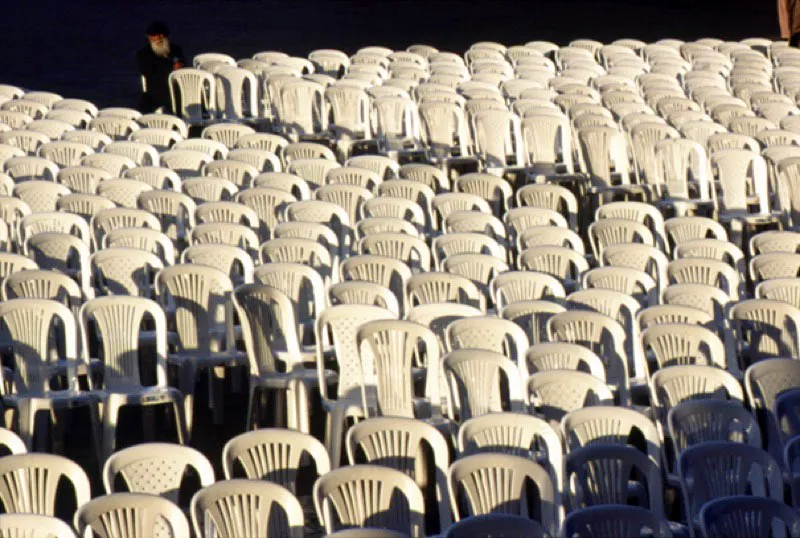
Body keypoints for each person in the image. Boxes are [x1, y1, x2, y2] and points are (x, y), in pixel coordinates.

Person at [137, 21, 186, 114]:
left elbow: (183, 63)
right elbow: (147, 72)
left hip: (177, 87)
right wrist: (171, 68)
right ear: (150, 38)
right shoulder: (143, 53)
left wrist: (180, 66)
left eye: (160, 36)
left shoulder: (175, 49)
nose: (158, 39)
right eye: (155, 37)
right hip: (156, 89)